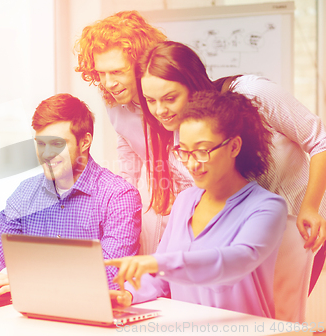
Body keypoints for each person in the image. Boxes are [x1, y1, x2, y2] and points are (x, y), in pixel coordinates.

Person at [136, 41, 326, 294]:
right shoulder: (179, 143)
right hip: (252, 238)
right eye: (150, 100)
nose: (160, 110)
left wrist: (311, 207)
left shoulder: (253, 94)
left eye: (170, 98)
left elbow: (320, 141)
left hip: (305, 225)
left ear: (193, 84)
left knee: (283, 318)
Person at [107, 90, 288, 318]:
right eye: (184, 151)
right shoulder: (185, 201)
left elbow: (234, 263)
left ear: (234, 147)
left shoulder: (267, 207)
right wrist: (129, 295)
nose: (192, 163)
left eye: (202, 151)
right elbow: (161, 278)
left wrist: (155, 262)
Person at [0, 93, 142, 297]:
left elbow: (112, 274)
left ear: (84, 142)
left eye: (56, 144)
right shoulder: (25, 193)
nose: (46, 154)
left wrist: (27, 278)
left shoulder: (119, 196)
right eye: (41, 144)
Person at [75, 11, 170, 254]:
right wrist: (123, 204)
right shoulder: (113, 99)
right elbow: (127, 147)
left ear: (142, 65)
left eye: (117, 72)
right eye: (101, 73)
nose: (108, 83)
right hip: (154, 200)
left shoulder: (170, 101)